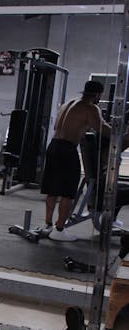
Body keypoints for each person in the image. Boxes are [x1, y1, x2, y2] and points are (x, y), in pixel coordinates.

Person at [41, 80, 112, 241]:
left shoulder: (68, 103)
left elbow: (57, 128)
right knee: (67, 192)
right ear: (97, 94)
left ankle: (48, 224)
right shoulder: (90, 107)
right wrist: (119, 130)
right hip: (67, 149)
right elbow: (102, 128)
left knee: (52, 189)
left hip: (53, 146)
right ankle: (59, 230)